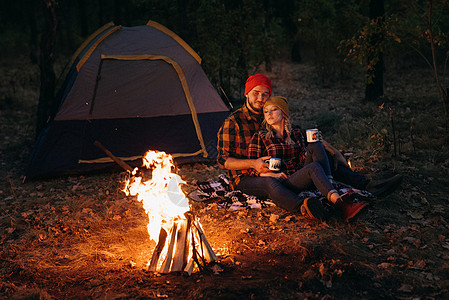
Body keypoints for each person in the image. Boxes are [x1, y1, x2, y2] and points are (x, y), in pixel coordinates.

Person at [216, 74, 402, 221]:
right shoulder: (234, 122)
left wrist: (330, 149)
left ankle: (367, 185)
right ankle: (306, 206)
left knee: (320, 154)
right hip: (247, 176)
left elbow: (300, 137)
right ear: (246, 93)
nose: (261, 98)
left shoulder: (271, 114)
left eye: (265, 94)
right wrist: (254, 164)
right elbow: (223, 161)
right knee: (269, 182)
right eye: (256, 93)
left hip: (282, 170)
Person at [247, 96, 367, 222]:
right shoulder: (260, 136)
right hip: (283, 182)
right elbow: (252, 169)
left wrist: (330, 151)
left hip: (300, 175)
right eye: (266, 111)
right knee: (313, 167)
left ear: (284, 113)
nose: (269, 114)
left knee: (315, 143)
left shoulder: (296, 133)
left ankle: (329, 185)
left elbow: (304, 155)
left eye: (274, 109)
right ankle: (341, 204)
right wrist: (273, 175)